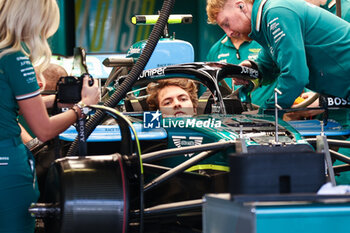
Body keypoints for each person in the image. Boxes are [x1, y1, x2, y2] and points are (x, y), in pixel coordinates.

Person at [0, 1, 100, 233]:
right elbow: (44, 130)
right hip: (7, 167)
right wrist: (84, 107)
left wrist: (51, 101)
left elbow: (6, 103)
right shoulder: (14, 59)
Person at [206, 0, 350, 114]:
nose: (228, 33)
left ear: (241, 6)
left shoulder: (276, 12)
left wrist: (265, 115)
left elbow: (295, 77)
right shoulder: (267, 20)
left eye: (227, 23)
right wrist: (252, 70)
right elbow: (269, 67)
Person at [206, 31, 276, 107]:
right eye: (222, 25)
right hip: (232, 114)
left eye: (227, 23)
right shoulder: (215, 50)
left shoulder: (264, 41)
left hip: (269, 112)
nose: (229, 32)